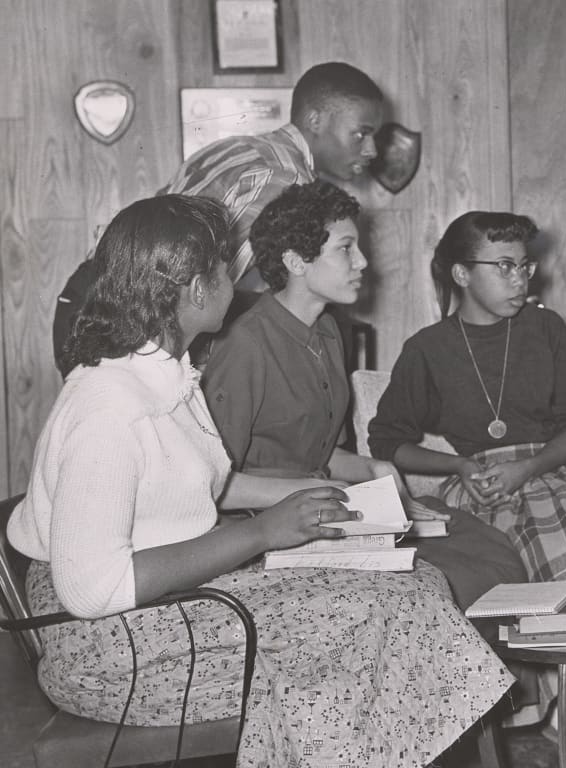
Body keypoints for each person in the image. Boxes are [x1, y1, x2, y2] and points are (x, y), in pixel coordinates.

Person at [7, 195, 513, 768]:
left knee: (415, 590)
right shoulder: (110, 408)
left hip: (161, 605)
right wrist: (263, 534)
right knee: (369, 629)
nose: (237, 279)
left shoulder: (164, 373)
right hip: (109, 649)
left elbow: (203, 489)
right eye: (226, 267)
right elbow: (91, 591)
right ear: (197, 289)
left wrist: (313, 503)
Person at [367, 210, 566, 767]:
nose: (521, 279)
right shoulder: (428, 348)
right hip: (480, 483)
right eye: (505, 267)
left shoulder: (546, 330)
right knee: (543, 563)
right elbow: (389, 440)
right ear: (462, 274)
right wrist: (460, 467)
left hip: (554, 469)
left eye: (525, 266)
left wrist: (530, 467)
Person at [201, 180, 526, 611]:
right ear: (296, 261)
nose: (363, 261)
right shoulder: (246, 345)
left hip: (324, 511)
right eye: (346, 248)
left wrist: (374, 467)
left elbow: (318, 453)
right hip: (264, 531)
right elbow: (212, 487)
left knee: (488, 549)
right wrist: (321, 490)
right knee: (444, 582)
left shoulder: (329, 331)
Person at [53, 61, 387, 376]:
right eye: (361, 133)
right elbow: (211, 288)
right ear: (315, 121)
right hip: (128, 318)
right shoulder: (285, 178)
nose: (372, 150)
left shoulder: (236, 147)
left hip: (91, 296)